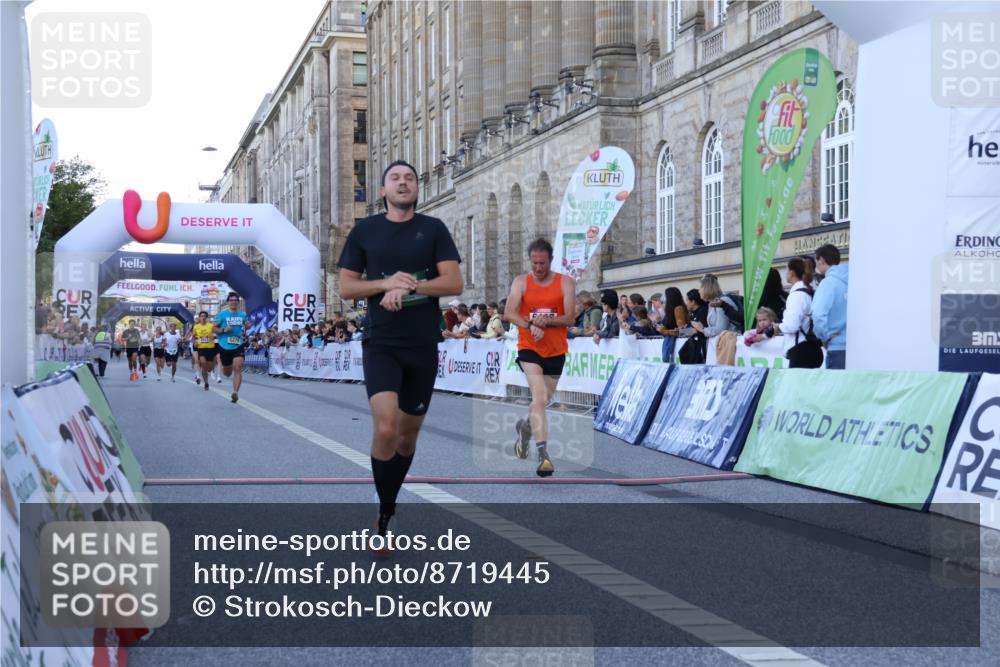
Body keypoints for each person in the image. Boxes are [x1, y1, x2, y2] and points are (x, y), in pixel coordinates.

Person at [338, 159, 463, 548]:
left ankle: (388, 493)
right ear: (383, 190)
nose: (403, 183)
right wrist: (385, 283)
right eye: (395, 178)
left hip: (422, 344)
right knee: (387, 427)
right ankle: (385, 508)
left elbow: (454, 281)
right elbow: (346, 288)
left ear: (416, 188)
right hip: (381, 343)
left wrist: (409, 288)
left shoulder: (433, 229)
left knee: (407, 439)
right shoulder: (365, 230)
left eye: (409, 178)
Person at [503, 238, 575, 478]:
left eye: (542, 263)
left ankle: (524, 429)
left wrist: (548, 321)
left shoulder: (565, 283)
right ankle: (543, 456)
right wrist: (529, 324)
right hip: (529, 348)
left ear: (550, 261)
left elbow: (569, 318)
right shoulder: (521, 282)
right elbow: (509, 312)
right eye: (534, 263)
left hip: (555, 350)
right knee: (540, 396)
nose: (538, 268)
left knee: (542, 402)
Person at [772, 257, 815, 366]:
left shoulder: (796, 295)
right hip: (808, 348)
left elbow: (792, 325)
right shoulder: (806, 291)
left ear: (791, 273)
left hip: (799, 350)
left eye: (786, 270)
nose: (785, 273)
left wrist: (778, 327)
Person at [812, 244, 848, 369]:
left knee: (837, 388)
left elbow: (817, 314)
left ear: (821, 259)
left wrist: (823, 337)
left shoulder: (827, 283)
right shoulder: (854, 280)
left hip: (837, 346)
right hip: (857, 346)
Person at [693, 274, 741, 365]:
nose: (699, 291)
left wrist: (702, 329)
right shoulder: (712, 303)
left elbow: (720, 329)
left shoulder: (722, 301)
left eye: (700, 288)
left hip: (728, 345)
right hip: (721, 344)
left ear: (706, 288)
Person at [214, 292, 250, 403]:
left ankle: (235, 392)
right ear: (228, 302)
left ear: (238, 302)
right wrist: (224, 330)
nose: (233, 302)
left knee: (238, 367)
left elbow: (248, 323)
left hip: (238, 344)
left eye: (235, 300)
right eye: (231, 300)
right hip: (224, 346)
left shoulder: (243, 314)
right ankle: (226, 372)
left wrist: (248, 324)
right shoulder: (222, 315)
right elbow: (213, 329)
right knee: (227, 372)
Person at [655, 287, 689, 362]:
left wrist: (665, 331)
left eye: (665, 297)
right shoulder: (670, 311)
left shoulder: (678, 309)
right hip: (673, 342)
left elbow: (684, 331)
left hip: (679, 343)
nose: (663, 301)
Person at [191, 311, 217, 390]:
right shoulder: (196, 327)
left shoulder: (211, 326)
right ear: (199, 317)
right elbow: (193, 336)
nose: (203, 317)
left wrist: (214, 337)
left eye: (204, 316)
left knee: (209, 367)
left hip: (211, 348)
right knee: (203, 363)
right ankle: (206, 383)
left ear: (206, 317)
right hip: (201, 348)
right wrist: (194, 342)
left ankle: (210, 370)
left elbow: (216, 335)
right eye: (201, 316)